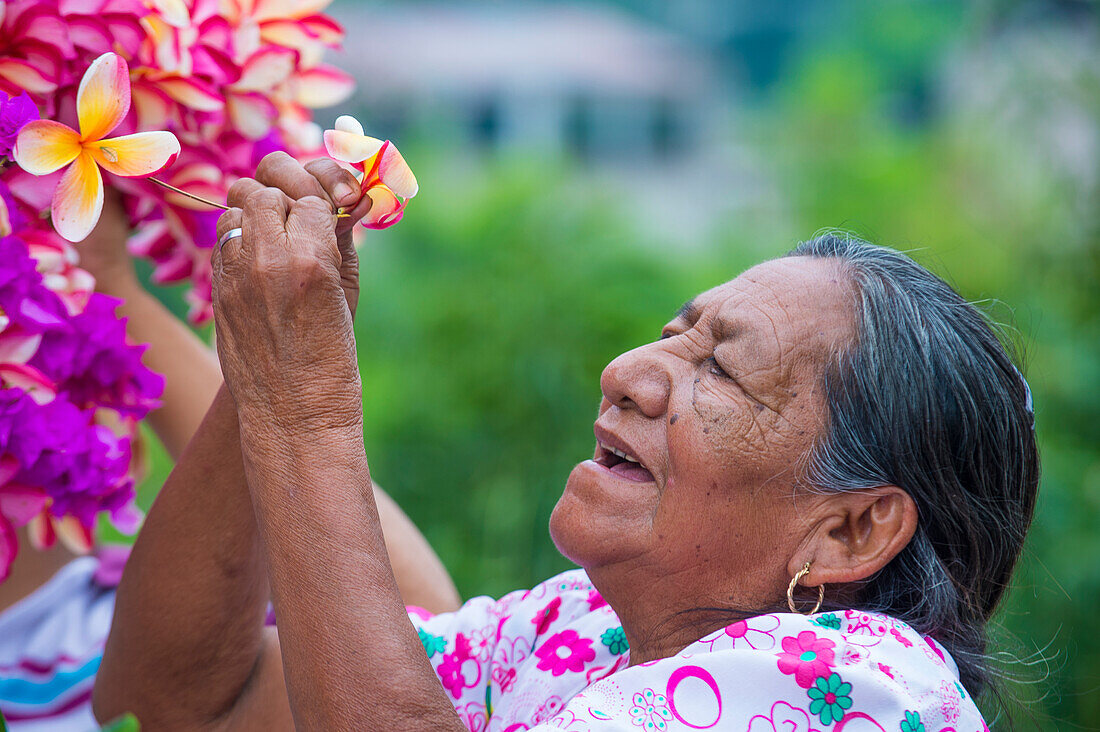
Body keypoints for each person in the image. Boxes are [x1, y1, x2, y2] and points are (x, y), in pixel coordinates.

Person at [93, 153, 1038, 731]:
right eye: (676, 331)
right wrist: (265, 373)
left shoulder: (861, 684)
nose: (631, 369)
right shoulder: (579, 633)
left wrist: (307, 411)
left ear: (850, 533)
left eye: (721, 371)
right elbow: (179, 703)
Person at [0, 195, 459, 731]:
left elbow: (430, 641)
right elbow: (417, 640)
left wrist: (112, 285)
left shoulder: (99, 621)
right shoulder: (49, 670)